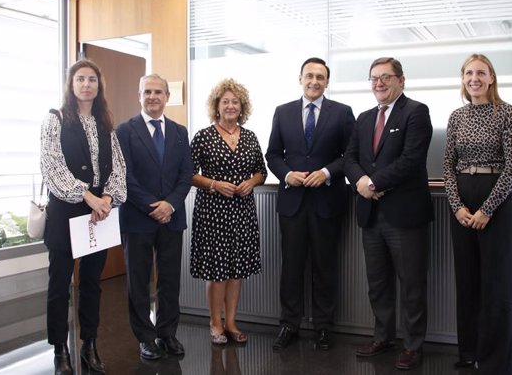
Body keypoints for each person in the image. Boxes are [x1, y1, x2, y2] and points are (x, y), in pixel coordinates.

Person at [344, 57, 433, 370]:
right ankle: (383, 336)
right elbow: (350, 158)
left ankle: (413, 345)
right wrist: (361, 182)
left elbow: (411, 160)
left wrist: (374, 182)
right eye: (374, 78)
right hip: (371, 214)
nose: (378, 83)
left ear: (401, 80)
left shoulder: (416, 112)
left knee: (411, 284)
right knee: (378, 281)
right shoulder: (365, 117)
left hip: (405, 214)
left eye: (385, 77)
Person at [40, 59, 127, 375]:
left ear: (98, 85)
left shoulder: (106, 124)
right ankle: (59, 349)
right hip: (66, 211)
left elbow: (118, 167)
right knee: (59, 284)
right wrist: (86, 195)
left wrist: (106, 198)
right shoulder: (56, 119)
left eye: (92, 79)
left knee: (92, 283)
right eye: (81, 79)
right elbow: (52, 166)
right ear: (71, 84)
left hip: (99, 215)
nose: (87, 84)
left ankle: (89, 344)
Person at [265, 57, 355, 351]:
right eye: (309, 76)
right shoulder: (283, 112)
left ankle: (324, 327)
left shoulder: (342, 113)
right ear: (300, 78)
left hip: (327, 201)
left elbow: (350, 156)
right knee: (291, 266)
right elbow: (273, 154)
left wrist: (327, 172)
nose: (314, 81)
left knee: (324, 266)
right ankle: (288, 324)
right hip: (292, 202)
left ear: (327, 82)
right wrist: (288, 175)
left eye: (320, 77)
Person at [442, 54, 512, 374]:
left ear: (491, 78)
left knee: (498, 283)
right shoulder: (457, 116)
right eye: (469, 73)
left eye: (481, 73)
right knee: (468, 281)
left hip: (498, 202)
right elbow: (447, 165)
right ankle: (469, 351)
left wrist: (487, 209)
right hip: (462, 197)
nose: (474, 78)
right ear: (463, 78)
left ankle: (495, 359)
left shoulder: (508, 113)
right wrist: (457, 206)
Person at [116, 74, 194, 360]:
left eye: (158, 92)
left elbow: (185, 175)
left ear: (167, 97)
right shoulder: (124, 131)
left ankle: (167, 333)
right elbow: (124, 177)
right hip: (138, 218)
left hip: (171, 218)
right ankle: (145, 337)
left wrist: (169, 205)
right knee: (138, 280)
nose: (152, 97)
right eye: (147, 92)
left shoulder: (179, 131)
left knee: (170, 279)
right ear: (139, 96)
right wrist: (153, 206)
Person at [190, 78, 267, 345]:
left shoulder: (249, 136)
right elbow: (187, 174)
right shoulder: (203, 136)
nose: (231, 106)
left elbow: (262, 171)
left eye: (235, 102)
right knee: (217, 271)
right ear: (217, 106)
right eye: (226, 102)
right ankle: (215, 323)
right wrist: (213, 184)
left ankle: (231, 322)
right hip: (212, 211)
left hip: (242, 211)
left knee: (237, 271)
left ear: (242, 106)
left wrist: (252, 182)